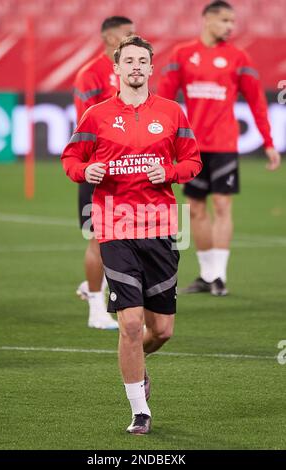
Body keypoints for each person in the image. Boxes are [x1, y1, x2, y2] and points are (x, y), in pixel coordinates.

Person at [61, 36, 202, 434]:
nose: (136, 66)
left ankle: (137, 365)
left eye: (143, 61)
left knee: (162, 331)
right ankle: (140, 410)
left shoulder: (172, 113)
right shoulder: (96, 115)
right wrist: (83, 172)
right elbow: (71, 158)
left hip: (160, 228)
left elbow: (192, 160)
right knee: (131, 325)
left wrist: (171, 173)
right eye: (129, 61)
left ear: (151, 69)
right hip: (115, 227)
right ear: (117, 69)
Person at [158, 0, 281, 296]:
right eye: (225, 20)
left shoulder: (239, 57)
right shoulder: (182, 54)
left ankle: (220, 277)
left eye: (232, 22)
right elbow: (164, 100)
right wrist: (160, 139)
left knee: (223, 206)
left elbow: (256, 102)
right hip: (191, 146)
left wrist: (268, 142)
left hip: (225, 145)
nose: (230, 26)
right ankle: (207, 274)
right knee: (196, 208)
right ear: (207, 20)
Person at [74, 16, 135, 329]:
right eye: (128, 33)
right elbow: (84, 124)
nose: (134, 37)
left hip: (129, 172)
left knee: (126, 239)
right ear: (111, 38)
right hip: (100, 170)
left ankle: (97, 290)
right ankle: (96, 311)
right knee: (99, 239)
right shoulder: (92, 74)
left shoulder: (130, 72)